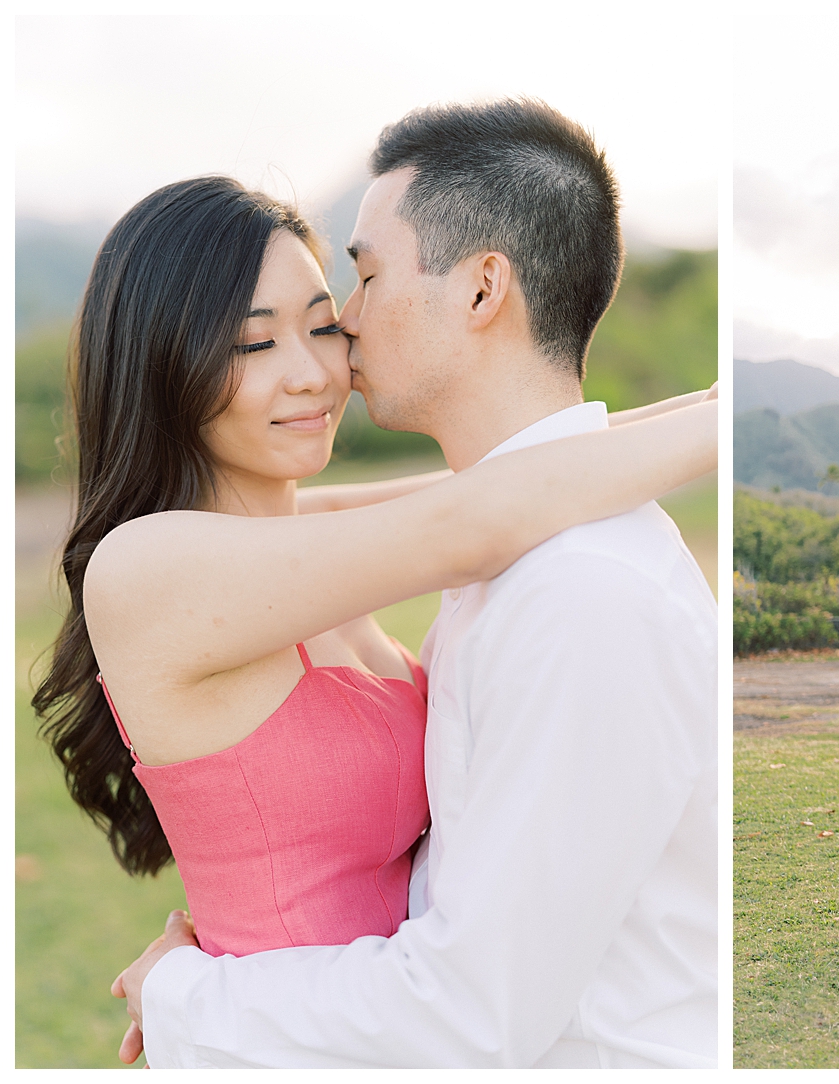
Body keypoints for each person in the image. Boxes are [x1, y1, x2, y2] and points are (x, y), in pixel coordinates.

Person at [105, 99, 718, 1069]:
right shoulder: (187, 565)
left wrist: (192, 993)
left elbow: (472, 1009)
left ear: (481, 290)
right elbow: (465, 511)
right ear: (168, 357)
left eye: (355, 283)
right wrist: (719, 417)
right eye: (257, 340)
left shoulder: (576, 589)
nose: (335, 342)